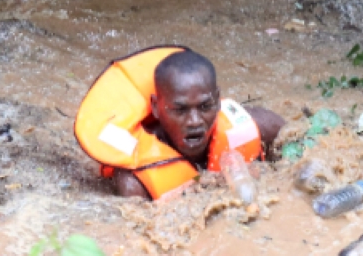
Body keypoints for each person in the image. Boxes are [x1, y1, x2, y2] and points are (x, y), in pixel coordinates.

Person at [74, 46, 285, 200]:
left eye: (205, 106)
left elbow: (308, 146)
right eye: (180, 110)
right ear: (156, 108)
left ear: (217, 100)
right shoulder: (135, 182)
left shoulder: (259, 125)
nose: (194, 121)